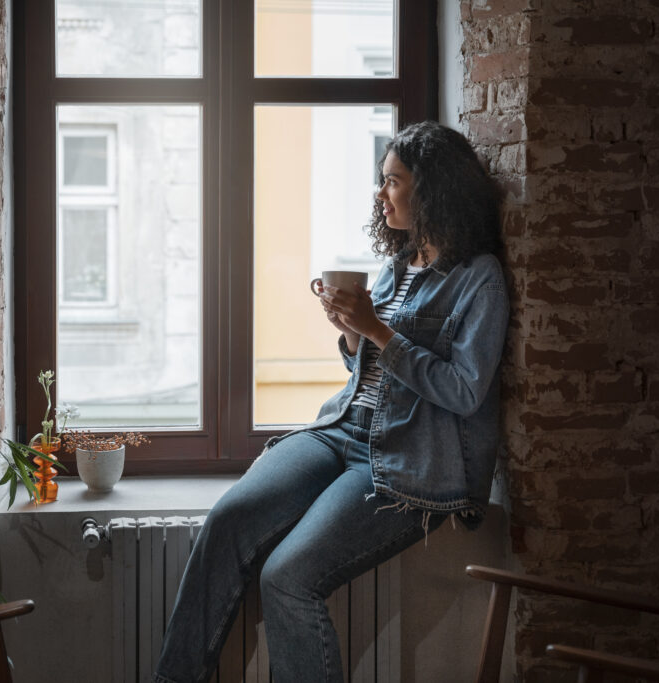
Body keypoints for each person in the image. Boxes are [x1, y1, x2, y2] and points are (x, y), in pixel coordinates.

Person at [153, 121, 509, 683]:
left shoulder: (477, 279)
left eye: (392, 181)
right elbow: (363, 369)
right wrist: (351, 333)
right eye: (381, 180)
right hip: (343, 428)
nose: (381, 193)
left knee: (286, 578)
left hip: (403, 459)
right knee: (226, 520)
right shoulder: (397, 264)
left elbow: (465, 391)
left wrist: (379, 331)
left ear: (433, 189)